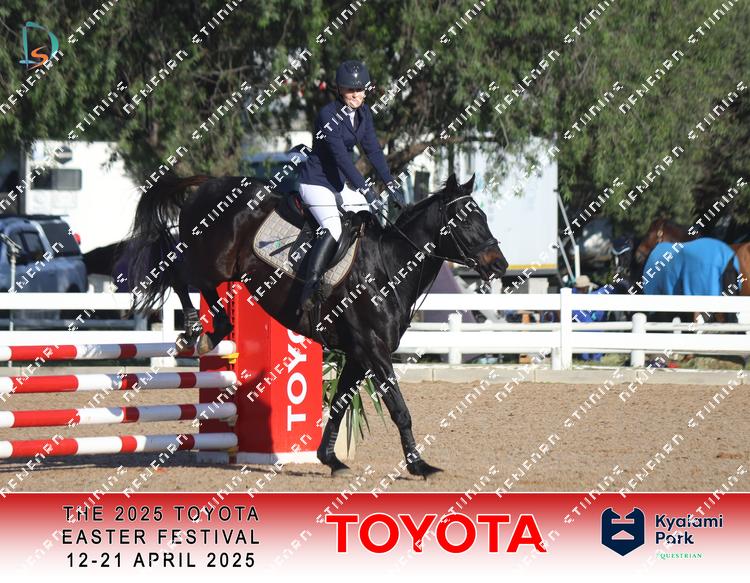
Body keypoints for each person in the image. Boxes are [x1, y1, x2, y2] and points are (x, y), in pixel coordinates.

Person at [296, 59, 405, 314]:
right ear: (339, 90)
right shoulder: (328, 115)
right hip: (315, 182)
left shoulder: (364, 114)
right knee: (333, 227)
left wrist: (390, 182)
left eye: (359, 89)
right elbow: (342, 160)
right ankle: (310, 287)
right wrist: (366, 188)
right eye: (350, 90)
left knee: (367, 214)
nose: (355, 94)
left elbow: (373, 151)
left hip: (336, 183)